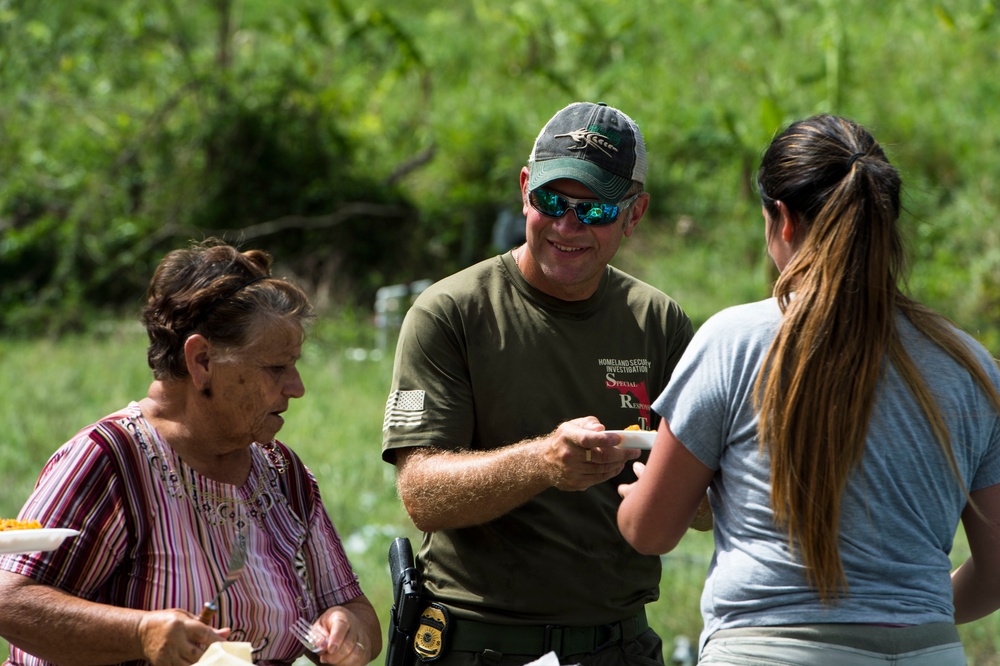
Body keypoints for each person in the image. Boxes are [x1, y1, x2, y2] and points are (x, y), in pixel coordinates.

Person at [617, 114, 1000, 665]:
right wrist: (915, 611)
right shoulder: (969, 364)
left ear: (783, 220)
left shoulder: (734, 341)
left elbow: (650, 532)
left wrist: (637, 493)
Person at [381, 101, 694, 666]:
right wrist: (543, 463)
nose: (568, 227)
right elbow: (421, 493)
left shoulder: (659, 322)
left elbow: (706, 504)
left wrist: (679, 485)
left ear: (635, 212)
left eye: (595, 209)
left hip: (617, 646)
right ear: (525, 188)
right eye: (551, 201)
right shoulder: (449, 312)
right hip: (478, 644)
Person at [0, 240, 382, 666]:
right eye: (276, 368)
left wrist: (347, 629)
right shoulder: (111, 461)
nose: (297, 387)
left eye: (294, 365)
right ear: (201, 361)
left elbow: (357, 610)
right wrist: (140, 634)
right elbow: (9, 599)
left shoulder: (281, 473)